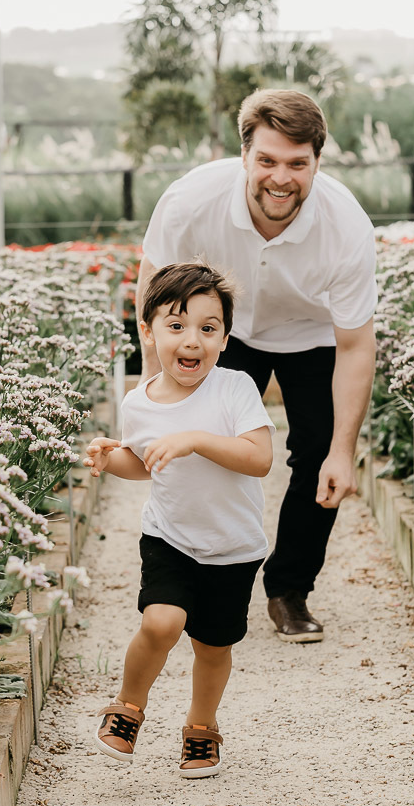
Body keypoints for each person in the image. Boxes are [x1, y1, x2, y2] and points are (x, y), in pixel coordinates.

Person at [136, 89, 377, 644]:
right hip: (225, 331)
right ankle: (198, 574)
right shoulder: (190, 200)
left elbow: (355, 346)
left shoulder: (347, 226)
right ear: (244, 155)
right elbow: (152, 292)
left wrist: (344, 450)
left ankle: (289, 590)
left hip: (312, 334)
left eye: (298, 164)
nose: (281, 178)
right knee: (209, 445)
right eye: (267, 160)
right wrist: (156, 388)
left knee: (319, 453)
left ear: (318, 161)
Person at [83, 262, 274, 778]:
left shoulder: (234, 388)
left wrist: (195, 440)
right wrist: (112, 459)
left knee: (213, 646)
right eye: (176, 325)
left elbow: (259, 458)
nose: (192, 340)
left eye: (208, 328)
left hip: (233, 546)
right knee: (161, 621)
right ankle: (128, 706)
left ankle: (201, 727)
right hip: (170, 536)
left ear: (225, 339)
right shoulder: (139, 402)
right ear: (148, 333)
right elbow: (144, 463)